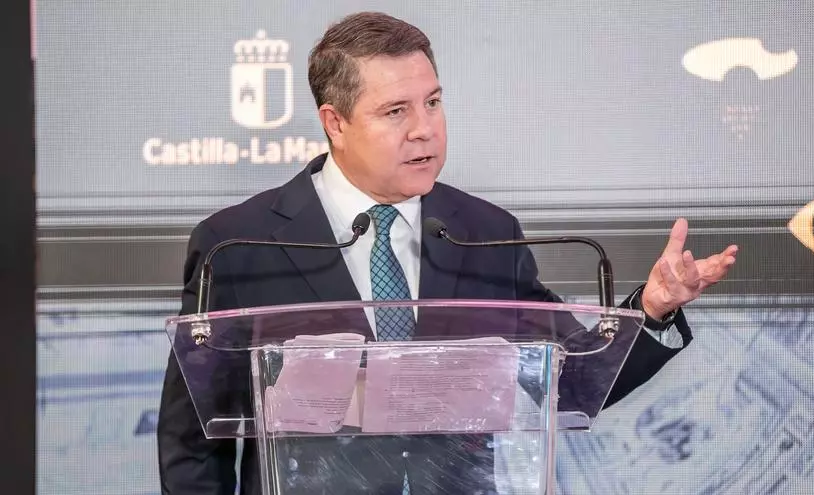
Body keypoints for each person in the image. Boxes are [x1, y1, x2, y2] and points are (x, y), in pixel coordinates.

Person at [157, 11, 738, 495]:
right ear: (335, 122)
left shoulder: (486, 232)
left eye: (432, 103)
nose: (425, 129)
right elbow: (193, 443)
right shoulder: (239, 244)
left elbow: (576, 382)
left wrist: (653, 308)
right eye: (396, 111)